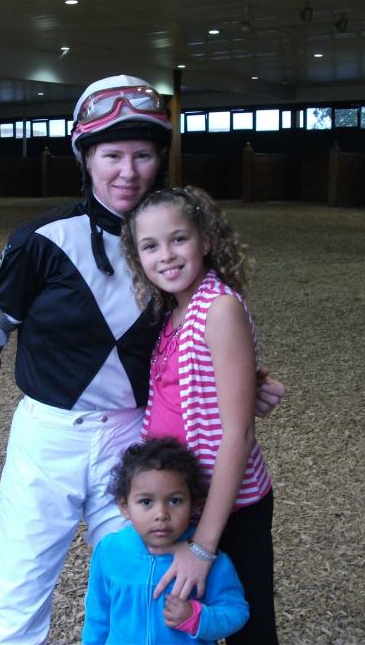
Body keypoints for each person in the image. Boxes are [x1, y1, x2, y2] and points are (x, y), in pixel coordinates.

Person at [0, 74, 284, 645]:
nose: (128, 171)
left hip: (134, 441)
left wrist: (241, 383)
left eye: (143, 155)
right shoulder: (38, 241)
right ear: (85, 158)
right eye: (112, 154)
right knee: (17, 599)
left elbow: (190, 346)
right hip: (49, 437)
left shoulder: (166, 250)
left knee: (148, 597)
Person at [120, 185, 279, 644]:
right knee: (189, 626)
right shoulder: (173, 312)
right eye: (150, 246)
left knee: (248, 626)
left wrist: (204, 547)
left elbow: (237, 433)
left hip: (233, 507)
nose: (166, 256)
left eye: (178, 239)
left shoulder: (219, 308)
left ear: (205, 240)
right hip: (186, 500)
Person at [82, 437, 248, 645]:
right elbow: (98, 615)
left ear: (194, 504)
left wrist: (197, 618)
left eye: (174, 501)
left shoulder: (208, 560)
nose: (161, 513)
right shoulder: (110, 551)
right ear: (124, 506)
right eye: (146, 502)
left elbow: (236, 612)